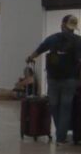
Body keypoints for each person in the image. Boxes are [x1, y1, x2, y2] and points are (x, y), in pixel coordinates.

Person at [27, 15, 81, 144]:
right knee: (66, 108)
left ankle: (60, 133)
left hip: (53, 78)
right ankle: (61, 137)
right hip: (71, 79)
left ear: (62, 24)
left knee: (54, 106)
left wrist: (30, 57)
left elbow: (39, 50)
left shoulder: (52, 38)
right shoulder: (79, 40)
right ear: (74, 28)